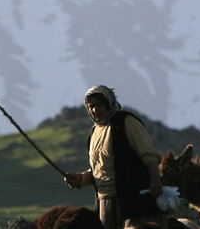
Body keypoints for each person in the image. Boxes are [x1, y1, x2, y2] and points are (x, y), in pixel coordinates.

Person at [64, 85, 166, 229]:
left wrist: (155, 180)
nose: (95, 110)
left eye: (99, 105)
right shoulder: (93, 134)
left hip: (134, 198)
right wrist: (81, 179)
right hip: (105, 202)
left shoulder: (125, 122)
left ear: (108, 103)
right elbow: (100, 169)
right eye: (91, 106)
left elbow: (149, 155)